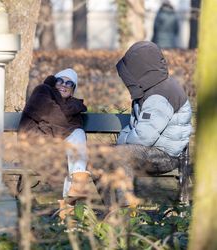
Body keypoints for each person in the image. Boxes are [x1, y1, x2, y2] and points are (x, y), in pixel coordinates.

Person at [98, 41, 192, 208]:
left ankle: (124, 213)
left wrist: (123, 138)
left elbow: (143, 137)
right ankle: (111, 209)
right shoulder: (150, 89)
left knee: (120, 154)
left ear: (139, 69)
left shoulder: (159, 94)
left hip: (165, 156)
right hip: (149, 150)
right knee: (97, 155)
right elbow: (137, 128)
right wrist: (126, 137)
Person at [18, 68, 90, 217]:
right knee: (73, 142)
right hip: (36, 148)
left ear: (73, 90)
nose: (64, 85)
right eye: (60, 81)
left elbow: (67, 128)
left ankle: (75, 192)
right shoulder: (42, 91)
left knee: (78, 134)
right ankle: (70, 207)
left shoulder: (74, 108)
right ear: (53, 83)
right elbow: (52, 116)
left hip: (59, 151)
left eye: (69, 83)